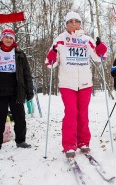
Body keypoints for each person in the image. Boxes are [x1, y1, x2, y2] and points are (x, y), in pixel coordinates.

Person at [45, 11, 107, 158]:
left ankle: (84, 142)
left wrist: (101, 48)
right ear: (66, 24)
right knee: (71, 112)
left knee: (83, 113)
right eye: (70, 21)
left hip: (85, 83)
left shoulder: (87, 39)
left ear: (80, 23)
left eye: (76, 21)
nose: (73, 23)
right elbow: (49, 64)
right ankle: (69, 144)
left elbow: (99, 58)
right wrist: (52, 56)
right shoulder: (60, 39)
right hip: (67, 83)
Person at [0, 28, 34, 155]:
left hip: (16, 91)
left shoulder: (19, 53)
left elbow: (26, 73)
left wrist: (29, 91)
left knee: (20, 117)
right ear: (1, 38)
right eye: (6, 37)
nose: (8, 40)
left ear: (13, 39)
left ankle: (20, 141)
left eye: (10, 38)